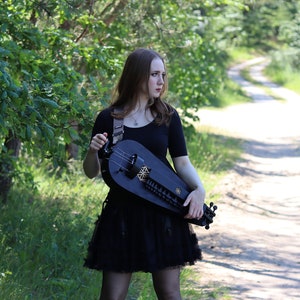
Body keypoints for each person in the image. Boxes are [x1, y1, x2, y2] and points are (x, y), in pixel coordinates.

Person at [83, 48, 206, 300]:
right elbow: (91, 173)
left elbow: (182, 163)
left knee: (169, 293)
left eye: (163, 74)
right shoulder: (109, 118)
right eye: (154, 74)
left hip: (163, 214)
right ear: (137, 76)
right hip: (122, 216)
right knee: (112, 296)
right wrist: (91, 152)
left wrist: (199, 191)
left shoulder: (167, 116)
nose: (161, 81)